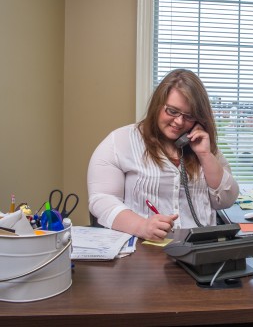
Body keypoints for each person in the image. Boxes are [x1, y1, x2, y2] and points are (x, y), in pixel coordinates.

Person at [87, 69, 239, 241]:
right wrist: (141, 226)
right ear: (158, 105)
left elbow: (227, 200)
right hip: (143, 251)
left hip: (200, 251)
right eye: (172, 111)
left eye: (189, 116)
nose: (179, 122)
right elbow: (102, 200)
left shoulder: (203, 145)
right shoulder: (119, 142)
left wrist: (205, 154)